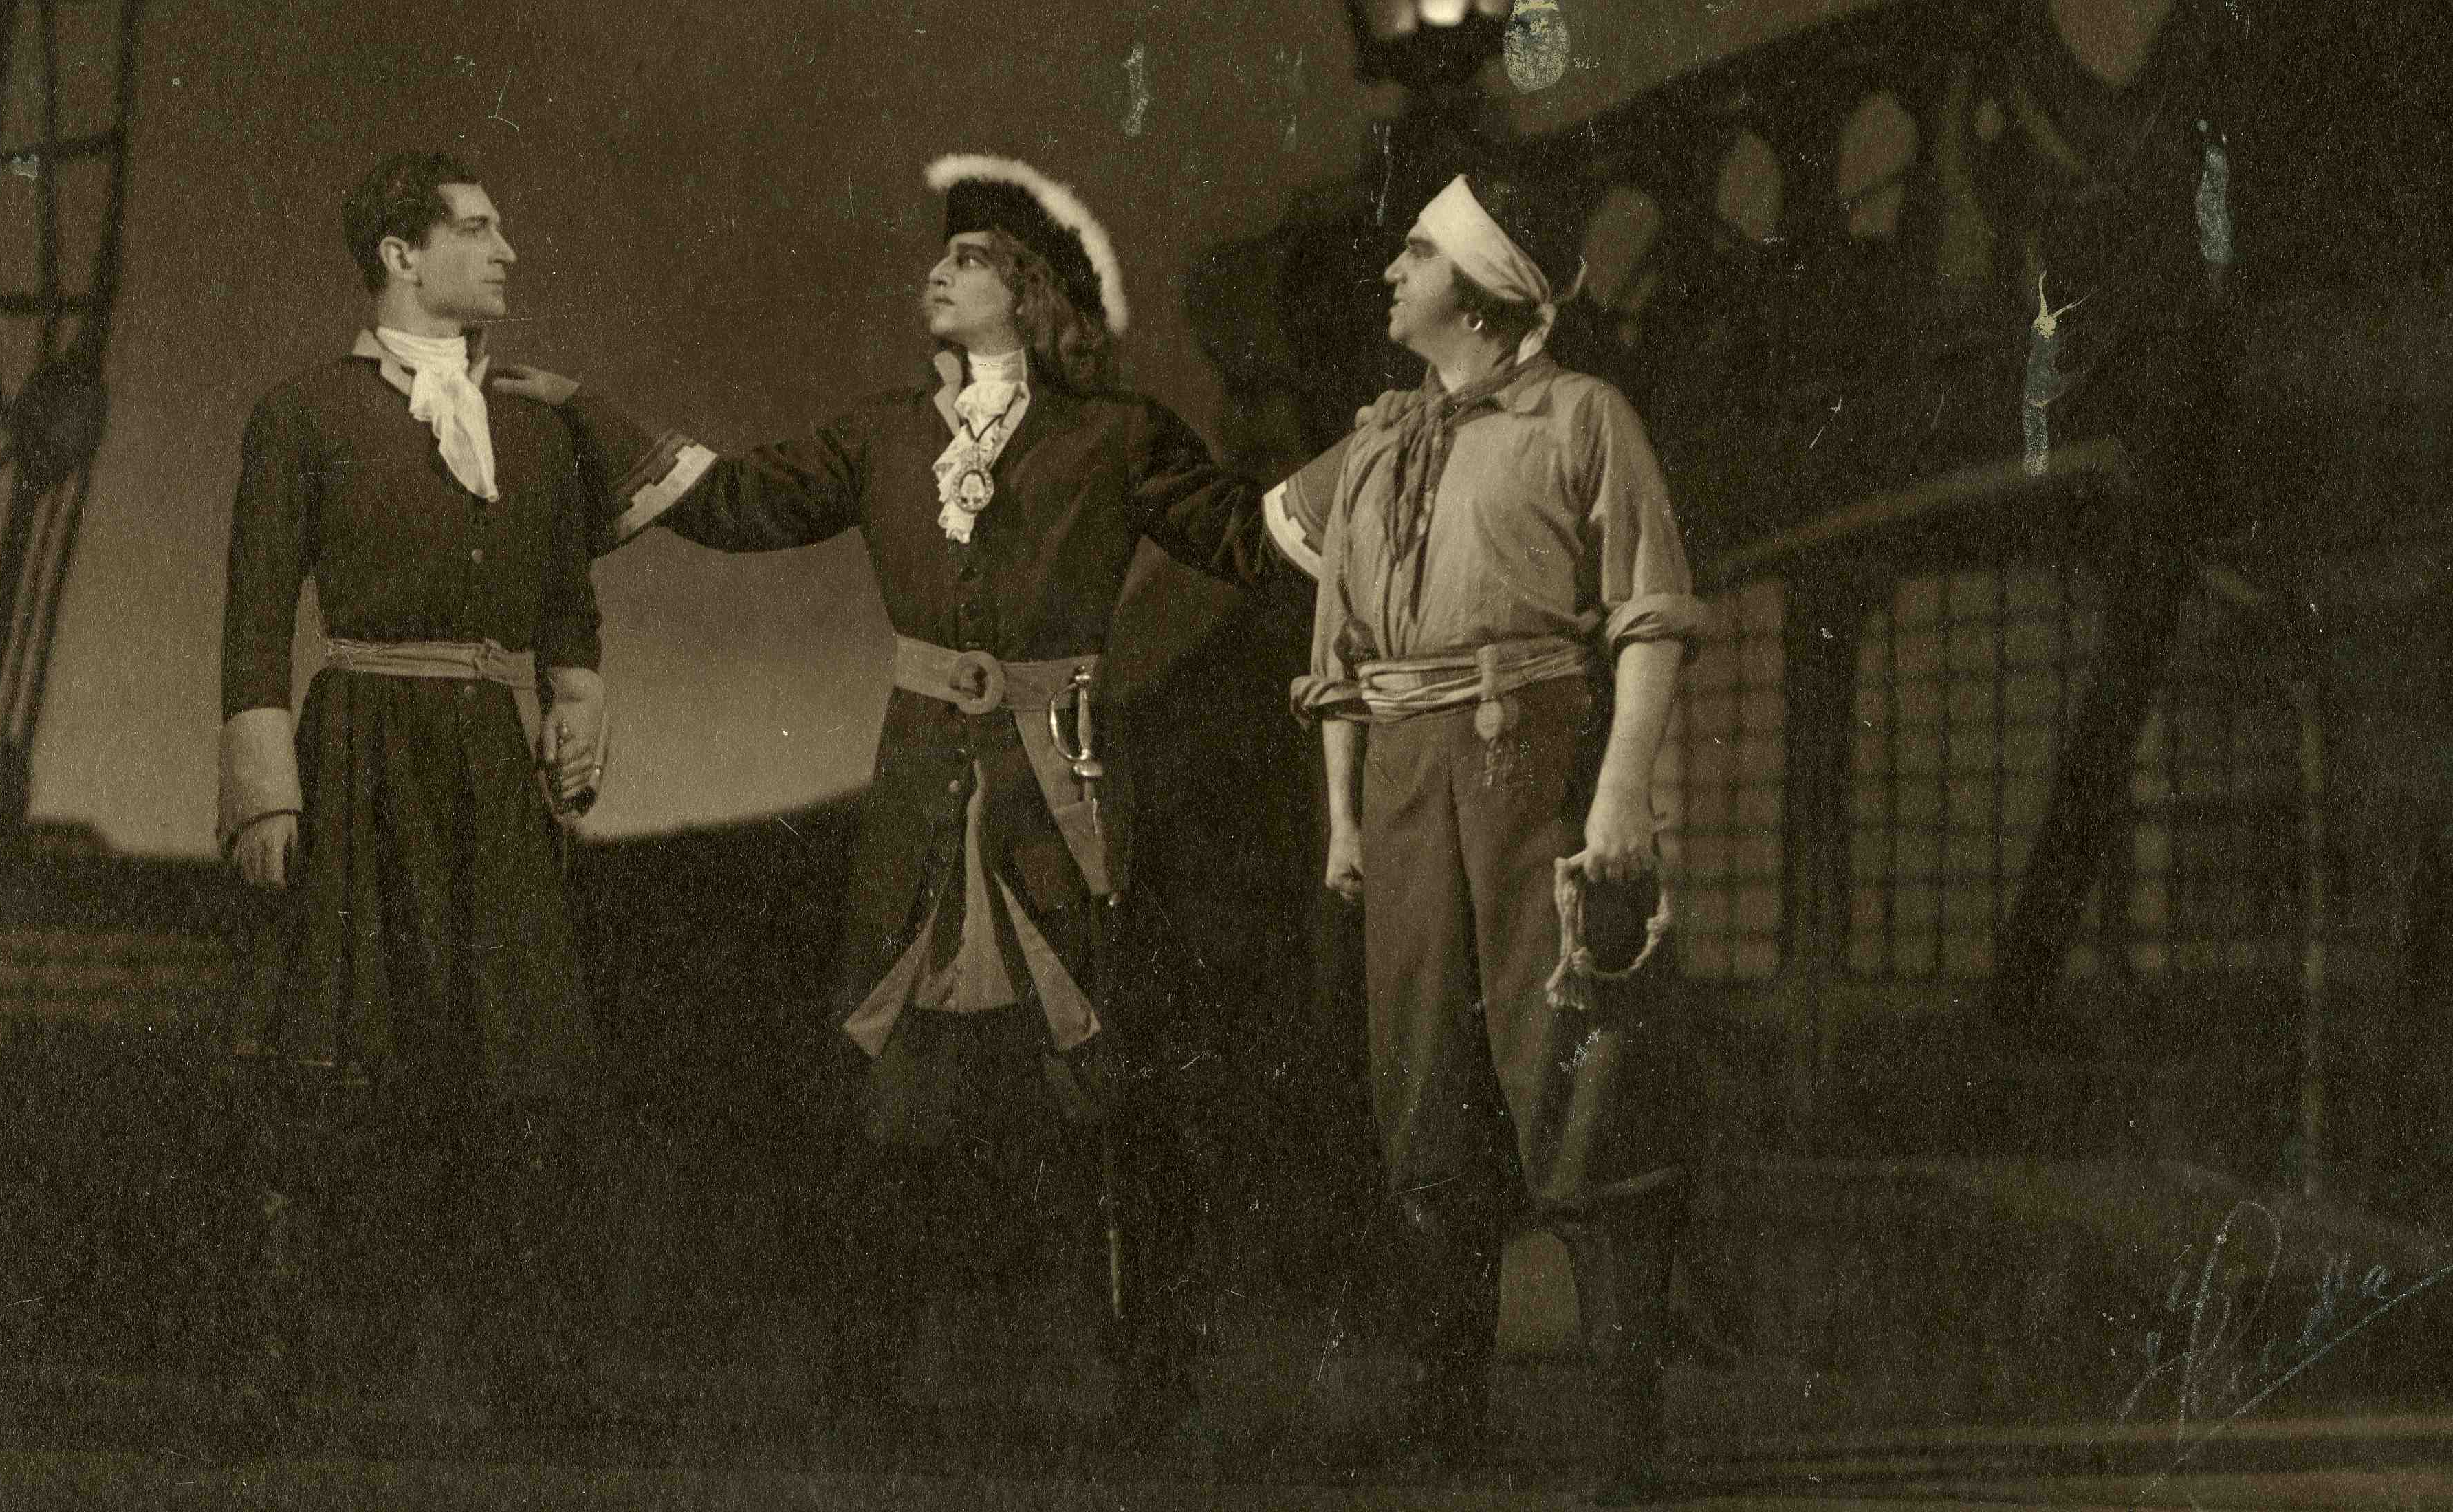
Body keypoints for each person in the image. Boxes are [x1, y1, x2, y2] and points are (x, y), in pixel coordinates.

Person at [494, 153, 1332, 1446]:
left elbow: (1242, 536)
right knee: (889, 1057)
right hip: (923, 785)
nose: (938, 273)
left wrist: (1369, 466)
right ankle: (866, 1381)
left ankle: (1149, 1379)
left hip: (1063, 785)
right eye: (940, 256)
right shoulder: (883, 434)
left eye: (972, 259)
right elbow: (738, 502)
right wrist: (581, 410)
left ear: (1033, 295)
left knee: (1102, 1062)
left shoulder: (1119, 435)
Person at [1294, 168, 1705, 1502]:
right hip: (1405, 781)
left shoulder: (1582, 416)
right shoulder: (1376, 446)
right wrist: (1345, 822)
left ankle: (1625, 1447)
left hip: (1533, 758)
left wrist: (1621, 791)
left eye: (1416, 252)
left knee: (1577, 1077)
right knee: (1424, 1092)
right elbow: (1338, 662)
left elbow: (1648, 613)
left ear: (1477, 293)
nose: (1391, 271)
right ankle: (1441, 1422)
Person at [214, 149, 613, 1443]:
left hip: (490, 767)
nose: (505, 252)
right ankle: (297, 1375)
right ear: (401, 255)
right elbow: (254, 619)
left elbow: (567, 605)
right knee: (339, 1060)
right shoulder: (302, 414)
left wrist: (574, 705)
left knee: (514, 1065)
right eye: (478, 230)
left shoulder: (538, 427)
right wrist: (264, 793)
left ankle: (530, 1378)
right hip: (358, 757)